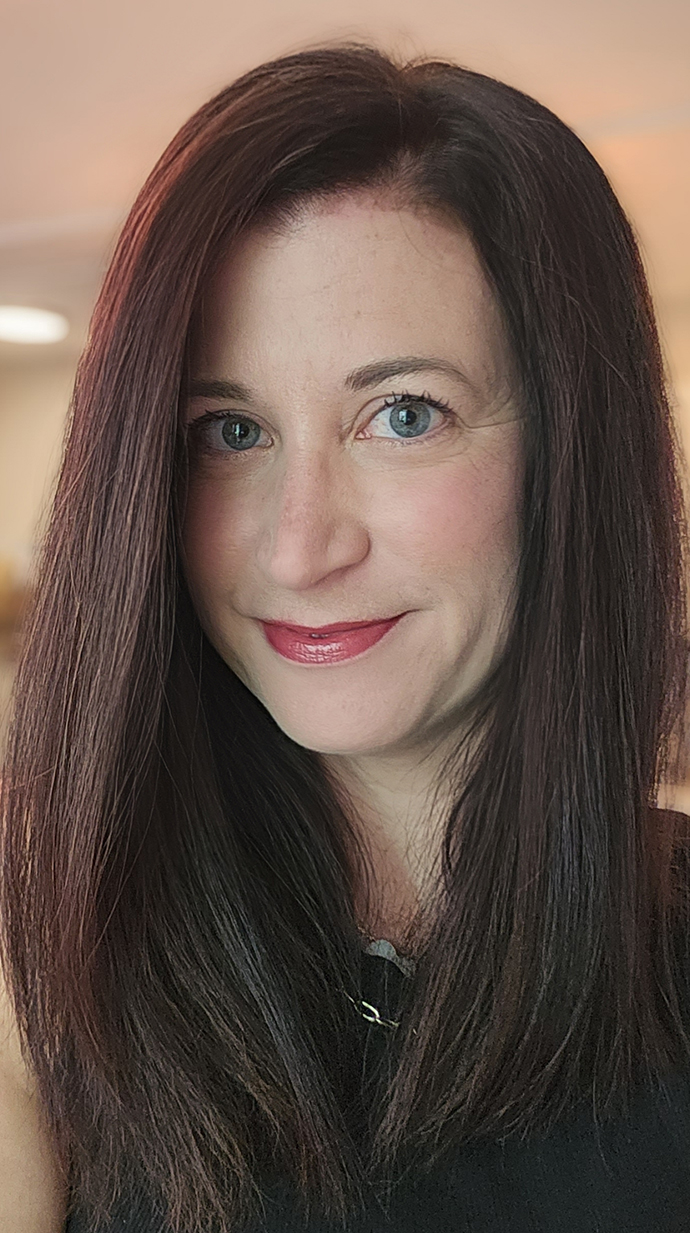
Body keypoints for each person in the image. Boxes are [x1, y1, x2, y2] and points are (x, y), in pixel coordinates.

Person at [1, 41, 689, 1233]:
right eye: (228, 431)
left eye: (403, 415)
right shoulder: (38, 955)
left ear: (572, 460)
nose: (295, 549)